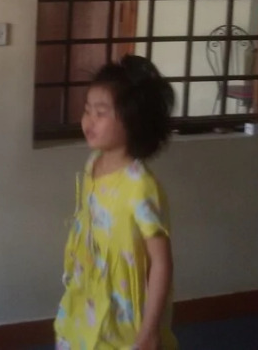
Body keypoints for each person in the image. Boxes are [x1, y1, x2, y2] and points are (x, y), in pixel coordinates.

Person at [55, 55, 178, 350]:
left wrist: (150, 330)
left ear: (133, 122)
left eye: (101, 113)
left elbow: (161, 262)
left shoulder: (140, 186)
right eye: (87, 110)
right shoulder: (93, 163)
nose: (88, 120)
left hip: (125, 310)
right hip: (88, 292)